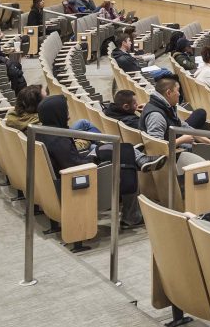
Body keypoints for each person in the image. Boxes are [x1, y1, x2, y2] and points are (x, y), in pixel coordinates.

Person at [36, 95, 140, 229]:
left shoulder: (43, 132)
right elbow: (75, 166)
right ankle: (131, 217)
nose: (68, 113)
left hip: (67, 178)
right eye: (65, 110)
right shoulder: (58, 140)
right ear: (57, 113)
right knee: (126, 161)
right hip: (78, 185)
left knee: (124, 149)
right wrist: (94, 157)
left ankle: (140, 159)